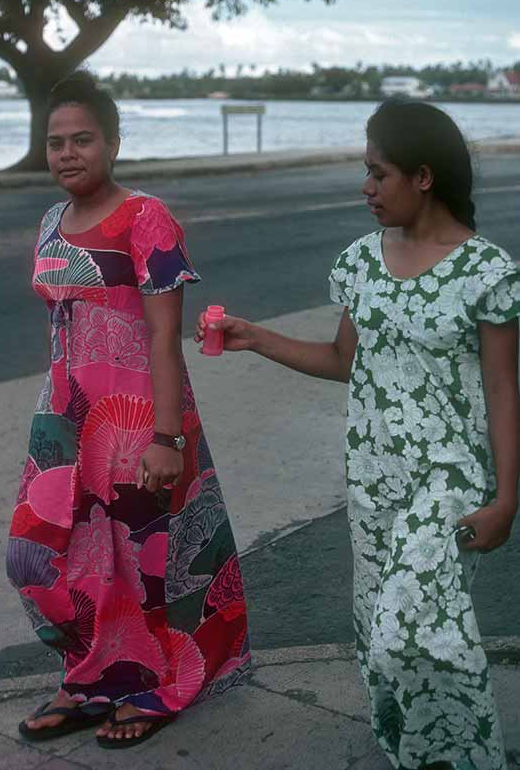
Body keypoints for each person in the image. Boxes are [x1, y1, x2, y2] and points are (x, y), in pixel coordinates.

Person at [195, 100, 520, 770]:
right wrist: (254, 337)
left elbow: (501, 389)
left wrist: (506, 498)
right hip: (372, 477)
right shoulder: (358, 264)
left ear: (422, 176)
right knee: (382, 629)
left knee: (415, 628)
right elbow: (344, 362)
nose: (364, 188)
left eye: (377, 174)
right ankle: (413, 747)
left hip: (449, 476)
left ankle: (462, 756)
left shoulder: (486, 271)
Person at [7, 71, 251, 749]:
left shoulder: (145, 217)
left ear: (113, 143)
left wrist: (165, 437)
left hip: (142, 417)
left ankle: (158, 687)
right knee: (45, 555)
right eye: (55, 142)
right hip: (65, 416)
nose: (66, 153)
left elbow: (160, 337)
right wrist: (55, 410)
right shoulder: (51, 221)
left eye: (82, 139)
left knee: (147, 564)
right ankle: (91, 678)